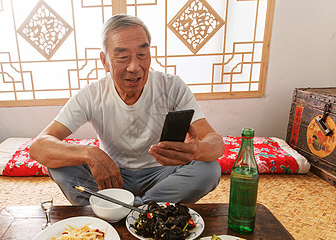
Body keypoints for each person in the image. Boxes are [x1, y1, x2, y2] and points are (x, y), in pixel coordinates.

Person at [30, 14, 224, 205]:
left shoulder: (171, 86)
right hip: (111, 177)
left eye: (142, 55)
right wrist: (90, 153)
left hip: (162, 175)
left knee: (209, 169)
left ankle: (128, 207)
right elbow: (39, 147)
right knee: (57, 164)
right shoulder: (91, 94)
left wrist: (196, 150)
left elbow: (216, 143)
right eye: (123, 57)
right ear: (104, 61)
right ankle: (143, 209)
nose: (134, 67)